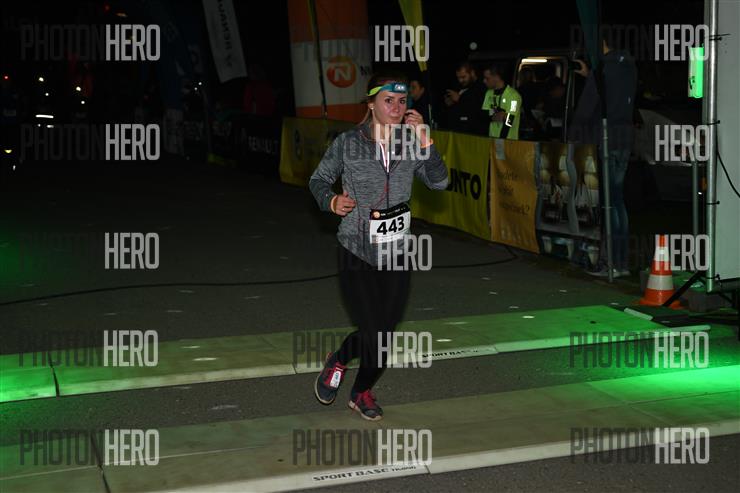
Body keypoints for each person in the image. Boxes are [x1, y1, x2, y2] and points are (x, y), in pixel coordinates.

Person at [308, 72, 449, 420]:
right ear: (371, 104)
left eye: (402, 102)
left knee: (383, 337)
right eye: (388, 101)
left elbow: (440, 182)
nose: (397, 108)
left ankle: (361, 390)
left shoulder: (411, 142)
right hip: (356, 250)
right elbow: (318, 179)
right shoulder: (348, 143)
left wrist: (426, 141)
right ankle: (340, 360)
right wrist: (331, 201)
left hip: (397, 253)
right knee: (373, 332)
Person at [571, 39, 637, 277]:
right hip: (624, 140)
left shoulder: (603, 70)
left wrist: (573, 136)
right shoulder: (628, 66)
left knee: (608, 203)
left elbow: (586, 108)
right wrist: (591, 75)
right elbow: (614, 94)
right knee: (618, 200)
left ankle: (610, 264)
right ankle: (621, 262)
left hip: (606, 140)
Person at [444, 61, 488, 135]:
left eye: (463, 77)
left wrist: (460, 99)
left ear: (472, 73)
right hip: (458, 132)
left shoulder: (481, 88)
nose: (460, 80)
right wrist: (450, 103)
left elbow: (479, 111)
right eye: (458, 78)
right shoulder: (459, 87)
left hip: (475, 134)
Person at [482, 65, 522, 140]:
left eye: (487, 78)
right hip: (492, 140)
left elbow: (509, 121)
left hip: (509, 141)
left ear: (496, 77)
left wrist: (501, 141)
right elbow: (483, 116)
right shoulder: (488, 93)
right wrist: (501, 116)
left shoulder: (514, 96)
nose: (484, 81)